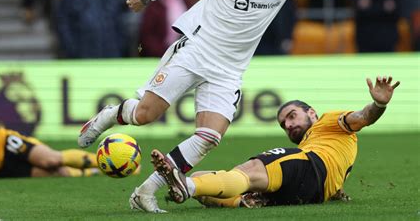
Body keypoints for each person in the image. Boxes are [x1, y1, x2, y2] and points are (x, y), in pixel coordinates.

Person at [78, 0, 376, 213]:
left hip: (229, 69)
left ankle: (146, 191)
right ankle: (108, 115)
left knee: (209, 136)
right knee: (144, 115)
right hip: (197, 49)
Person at [152, 75, 400, 209]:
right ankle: (243, 201)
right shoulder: (313, 143)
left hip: (313, 167)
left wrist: (379, 104)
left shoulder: (329, 121)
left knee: (247, 171)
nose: (289, 125)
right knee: (208, 176)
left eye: (292, 116)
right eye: (284, 124)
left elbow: (363, 117)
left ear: (311, 113)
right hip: (310, 193)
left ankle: (187, 186)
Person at [0, 127, 101, 181]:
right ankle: (92, 171)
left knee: (51, 160)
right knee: (58, 174)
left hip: (2, 143)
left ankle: (102, 161)